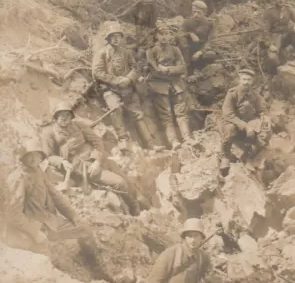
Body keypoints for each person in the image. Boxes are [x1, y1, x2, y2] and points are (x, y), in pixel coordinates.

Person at [3, 139, 113, 280]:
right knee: (45, 259)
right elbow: (13, 214)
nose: (33, 158)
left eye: (37, 155)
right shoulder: (17, 178)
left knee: (84, 229)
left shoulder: (37, 171)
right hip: (27, 229)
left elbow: (56, 195)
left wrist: (74, 216)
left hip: (47, 221)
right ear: (22, 157)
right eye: (29, 155)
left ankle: (97, 271)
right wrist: (34, 232)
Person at [40, 103, 140, 215]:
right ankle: (133, 206)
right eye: (61, 115)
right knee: (119, 182)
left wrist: (97, 160)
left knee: (125, 178)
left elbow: (96, 141)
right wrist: (62, 161)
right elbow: (49, 156)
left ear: (71, 116)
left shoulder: (78, 125)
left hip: (98, 158)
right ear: (55, 117)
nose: (64, 118)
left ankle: (138, 202)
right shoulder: (49, 133)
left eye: (67, 115)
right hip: (82, 168)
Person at [116, 219, 210, 283]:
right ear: (184, 237)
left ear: (202, 238)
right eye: (190, 236)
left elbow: (206, 282)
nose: (193, 240)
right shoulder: (170, 254)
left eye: (196, 236)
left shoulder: (203, 258)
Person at [92, 21, 161, 150]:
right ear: (108, 38)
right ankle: (123, 139)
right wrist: (117, 80)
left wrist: (129, 79)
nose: (116, 39)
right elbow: (97, 72)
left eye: (118, 36)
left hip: (128, 88)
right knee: (115, 109)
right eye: (112, 36)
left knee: (138, 113)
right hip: (110, 89)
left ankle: (151, 144)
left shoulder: (127, 52)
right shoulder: (102, 53)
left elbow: (136, 68)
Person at [146, 26, 194, 150]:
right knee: (166, 114)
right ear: (156, 35)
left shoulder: (175, 49)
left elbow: (182, 67)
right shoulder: (150, 51)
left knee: (181, 112)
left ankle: (187, 138)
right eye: (161, 34)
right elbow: (155, 70)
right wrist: (173, 71)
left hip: (176, 84)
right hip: (159, 86)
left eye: (166, 33)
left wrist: (167, 69)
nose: (164, 36)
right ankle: (173, 142)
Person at [218, 68, 270, 177]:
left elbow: (263, 110)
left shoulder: (255, 95)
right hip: (231, 122)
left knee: (265, 135)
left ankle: (247, 156)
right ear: (239, 80)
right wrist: (246, 126)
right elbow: (228, 114)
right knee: (230, 129)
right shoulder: (232, 93)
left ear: (252, 81)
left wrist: (265, 121)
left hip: (249, 124)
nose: (246, 82)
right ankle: (224, 156)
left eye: (249, 80)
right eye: (244, 79)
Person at [263, 0, 295, 71]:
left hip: (285, 36)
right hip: (275, 38)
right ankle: (276, 70)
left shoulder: (288, 9)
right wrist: (269, 45)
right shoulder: (269, 12)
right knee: (272, 59)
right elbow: (264, 31)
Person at [176, 0, 216, 75]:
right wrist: (189, 34)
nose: (195, 15)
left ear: (204, 13)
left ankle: (203, 70)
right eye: (194, 12)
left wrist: (200, 52)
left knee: (211, 55)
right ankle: (187, 70)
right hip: (189, 50)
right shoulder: (187, 22)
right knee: (181, 42)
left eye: (198, 12)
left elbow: (212, 41)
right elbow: (179, 34)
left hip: (202, 50)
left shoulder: (210, 24)